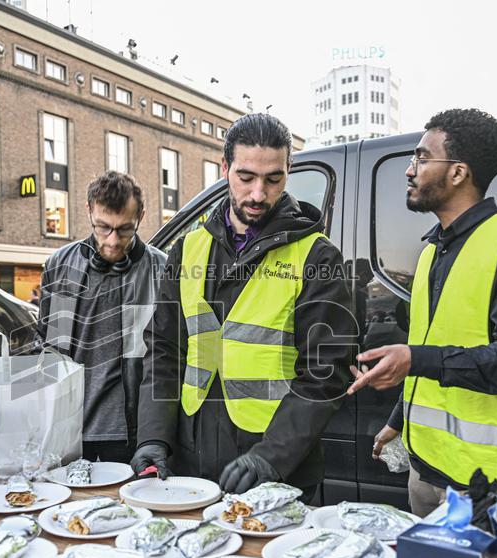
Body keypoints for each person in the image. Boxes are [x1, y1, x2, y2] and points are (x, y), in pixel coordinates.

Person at [352, 108, 497, 517]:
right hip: (427, 466)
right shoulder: (433, 251)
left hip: (484, 480)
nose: (410, 170)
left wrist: (414, 358)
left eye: (422, 157)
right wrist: (399, 420)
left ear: (457, 173)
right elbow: (430, 348)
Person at [131, 113, 354, 499]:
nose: (257, 194)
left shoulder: (317, 256)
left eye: (273, 179)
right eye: (245, 177)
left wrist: (272, 456)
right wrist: (153, 439)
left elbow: (325, 374)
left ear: (289, 172)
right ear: (225, 169)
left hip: (276, 470)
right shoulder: (189, 248)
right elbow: (165, 351)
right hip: (189, 460)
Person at [37, 171, 167, 463]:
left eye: (124, 230)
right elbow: (48, 344)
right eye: (102, 227)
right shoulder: (60, 265)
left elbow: (169, 359)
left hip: (133, 435)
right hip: (69, 431)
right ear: (88, 212)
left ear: (141, 217)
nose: (112, 241)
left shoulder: (162, 270)